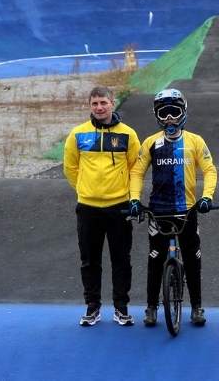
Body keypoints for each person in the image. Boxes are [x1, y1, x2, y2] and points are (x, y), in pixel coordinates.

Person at [129, 88, 217, 327]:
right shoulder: (150, 143)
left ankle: (197, 307)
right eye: (164, 113)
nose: (169, 118)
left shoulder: (195, 141)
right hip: (158, 212)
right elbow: (137, 172)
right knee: (155, 259)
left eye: (174, 112)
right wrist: (134, 200)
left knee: (192, 259)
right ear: (157, 115)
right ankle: (150, 307)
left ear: (183, 112)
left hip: (187, 212)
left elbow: (209, 170)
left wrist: (206, 197)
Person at [64, 86, 141, 326]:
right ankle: (92, 307)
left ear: (112, 103)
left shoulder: (128, 134)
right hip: (88, 208)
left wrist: (128, 195)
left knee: (121, 260)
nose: (99, 107)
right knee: (89, 261)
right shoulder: (78, 134)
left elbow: (135, 168)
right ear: (90, 106)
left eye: (103, 103)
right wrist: (86, 190)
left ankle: (121, 308)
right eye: (95, 103)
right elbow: (70, 168)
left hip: (119, 208)